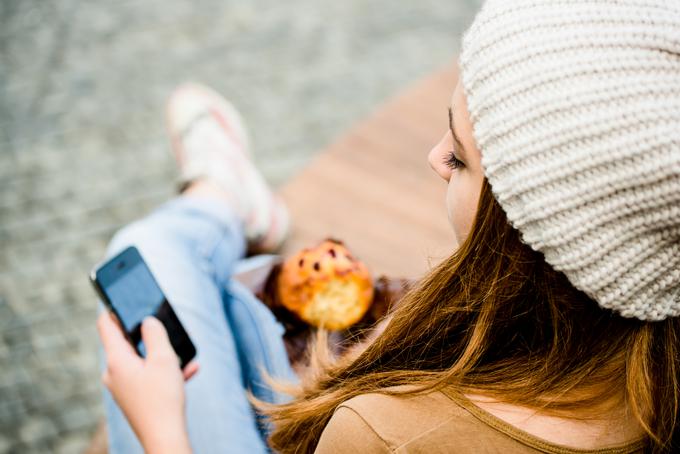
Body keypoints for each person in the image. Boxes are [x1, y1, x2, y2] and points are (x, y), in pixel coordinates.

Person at [98, 0, 680, 452]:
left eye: (460, 157)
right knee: (227, 296)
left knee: (149, 253)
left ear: (535, 237)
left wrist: (163, 431)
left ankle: (217, 195)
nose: (434, 156)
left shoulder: (386, 435)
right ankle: (221, 200)